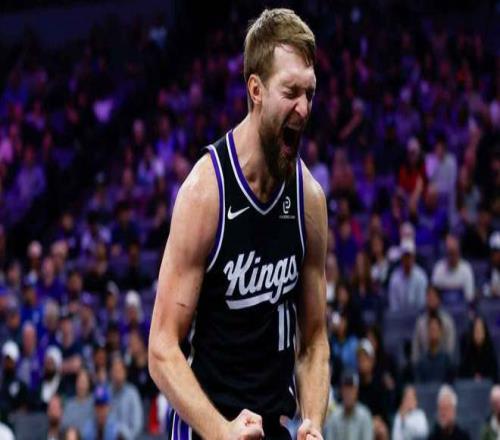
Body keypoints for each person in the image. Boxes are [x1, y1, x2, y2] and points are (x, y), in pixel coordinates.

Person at [148, 8, 329, 440]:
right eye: (291, 92)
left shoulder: (309, 199)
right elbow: (162, 349)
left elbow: (314, 340)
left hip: (273, 426)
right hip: (207, 427)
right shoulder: (205, 193)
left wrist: (313, 421)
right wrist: (222, 431)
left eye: (310, 92)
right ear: (256, 90)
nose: (304, 108)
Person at [412, 285, 456, 364]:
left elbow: (450, 348)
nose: (431, 299)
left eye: (434, 296)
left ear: (439, 300)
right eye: (429, 296)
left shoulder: (447, 321)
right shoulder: (420, 322)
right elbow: (415, 349)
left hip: (443, 364)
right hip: (424, 364)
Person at [323, 371, 373, 440]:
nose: (349, 393)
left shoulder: (365, 416)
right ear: (341, 390)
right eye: (346, 389)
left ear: (357, 391)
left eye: (351, 389)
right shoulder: (334, 417)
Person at [431, 234, 475, 303]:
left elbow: (469, 297)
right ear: (446, 254)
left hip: (462, 308)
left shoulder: (466, 268)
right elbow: (434, 297)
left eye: (455, 253)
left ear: (459, 253)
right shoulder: (438, 268)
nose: (452, 257)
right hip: (442, 308)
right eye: (450, 253)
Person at [388, 239, 428, 311]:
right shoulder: (395, 278)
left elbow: (422, 304)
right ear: (401, 258)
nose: (407, 260)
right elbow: (394, 305)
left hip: (417, 315)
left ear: (414, 257)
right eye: (405, 257)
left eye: (409, 257)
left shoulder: (421, 277)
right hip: (399, 316)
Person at [109, 355, 143, 439]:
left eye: (120, 371)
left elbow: (137, 424)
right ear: (110, 373)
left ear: (125, 373)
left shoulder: (132, 393)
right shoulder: (106, 393)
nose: (117, 374)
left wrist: (126, 436)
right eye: (115, 370)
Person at [414, 313, 454, 383]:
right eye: (431, 329)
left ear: (441, 332)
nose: (433, 333)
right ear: (427, 333)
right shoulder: (421, 361)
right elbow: (418, 384)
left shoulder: (447, 360)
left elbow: (451, 384)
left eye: (435, 329)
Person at [459, 316, 498, 382]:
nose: (479, 333)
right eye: (476, 330)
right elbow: (461, 375)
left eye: (481, 330)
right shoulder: (466, 351)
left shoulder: (490, 351)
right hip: (469, 386)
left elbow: (495, 377)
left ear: (485, 332)